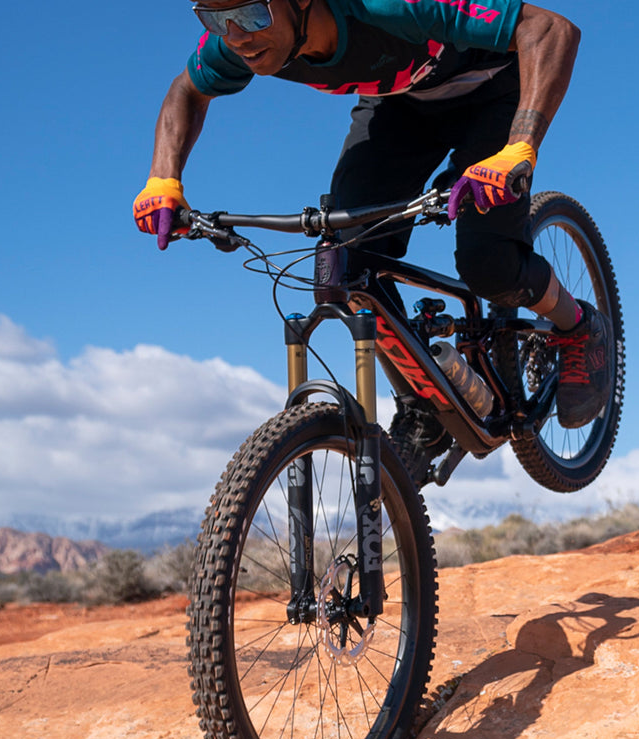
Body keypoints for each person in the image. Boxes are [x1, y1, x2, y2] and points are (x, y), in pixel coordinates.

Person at [134, 0, 611, 428]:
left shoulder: (388, 4)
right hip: (401, 105)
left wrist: (519, 148)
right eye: (218, 19)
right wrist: (163, 179)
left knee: (488, 264)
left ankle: (577, 328)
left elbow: (550, 30)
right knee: (343, 267)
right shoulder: (236, 45)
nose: (236, 35)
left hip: (495, 89)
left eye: (252, 15)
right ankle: (427, 406)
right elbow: (186, 91)